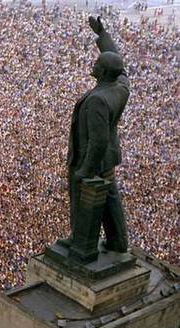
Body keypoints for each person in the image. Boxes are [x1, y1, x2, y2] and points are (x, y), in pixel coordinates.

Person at [60, 16, 130, 255]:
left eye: (98, 63)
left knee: (82, 200)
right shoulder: (120, 87)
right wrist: (102, 35)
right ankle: (118, 240)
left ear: (104, 71)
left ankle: (79, 241)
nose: (94, 64)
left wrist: (85, 170)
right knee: (110, 197)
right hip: (108, 158)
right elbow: (121, 65)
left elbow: (98, 141)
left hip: (91, 159)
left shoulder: (98, 100)